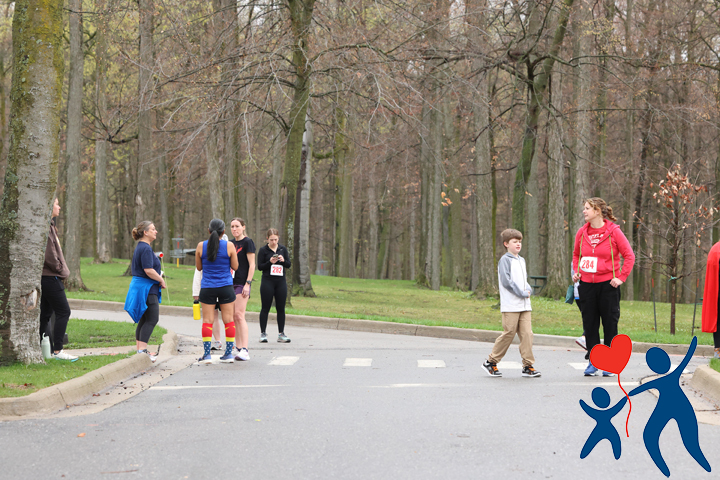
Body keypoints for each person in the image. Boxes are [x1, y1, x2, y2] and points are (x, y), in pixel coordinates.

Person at [629, 337, 711, 476]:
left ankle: (668, 469)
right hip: (680, 406)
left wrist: (629, 394)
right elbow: (687, 358)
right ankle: (696, 465)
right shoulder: (672, 376)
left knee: (650, 436)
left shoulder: (662, 380)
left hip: (668, 408)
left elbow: (640, 388)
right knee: (686, 441)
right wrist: (693, 344)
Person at [572, 198, 634, 376]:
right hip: (587, 286)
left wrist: (621, 277)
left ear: (597, 211)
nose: (584, 211)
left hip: (608, 286)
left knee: (609, 323)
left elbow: (629, 256)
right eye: (584, 208)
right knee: (590, 324)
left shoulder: (613, 232)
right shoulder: (582, 232)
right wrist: (577, 271)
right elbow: (576, 255)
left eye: (587, 208)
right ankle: (594, 360)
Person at [482, 229, 541, 378]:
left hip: (525, 305)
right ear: (506, 244)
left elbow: (523, 280)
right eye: (515, 242)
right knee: (509, 333)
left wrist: (528, 289)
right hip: (511, 305)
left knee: (527, 334)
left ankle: (528, 366)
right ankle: (491, 362)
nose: (518, 244)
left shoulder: (521, 260)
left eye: (519, 241)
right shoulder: (505, 260)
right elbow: (506, 282)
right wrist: (521, 293)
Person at [39, 198, 78, 361]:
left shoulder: (49, 226)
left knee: (45, 314)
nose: (59, 207)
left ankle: (43, 348)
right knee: (63, 311)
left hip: (47, 277)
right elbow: (50, 255)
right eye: (56, 203)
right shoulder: (46, 228)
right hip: (50, 277)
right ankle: (58, 350)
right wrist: (61, 269)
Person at [196, 219, 239, 364]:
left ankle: (207, 354)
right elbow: (235, 266)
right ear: (224, 231)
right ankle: (228, 354)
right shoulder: (229, 246)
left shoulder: (201, 246)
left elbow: (199, 267)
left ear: (208, 231)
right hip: (225, 287)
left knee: (207, 321)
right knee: (229, 320)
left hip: (208, 287)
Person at [125, 221, 166, 362]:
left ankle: (140, 351)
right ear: (145, 232)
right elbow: (148, 270)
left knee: (144, 319)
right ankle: (142, 351)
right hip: (146, 289)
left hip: (142, 287)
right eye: (153, 229)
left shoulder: (141, 247)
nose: (156, 231)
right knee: (152, 319)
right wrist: (161, 280)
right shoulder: (146, 249)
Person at [192, 234, 230, 351]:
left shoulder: (228, 254)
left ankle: (230, 343)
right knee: (212, 317)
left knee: (228, 317)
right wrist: (196, 291)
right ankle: (218, 341)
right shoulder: (206, 251)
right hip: (210, 287)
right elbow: (198, 272)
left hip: (224, 288)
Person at [257, 228, 291, 343]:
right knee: (265, 307)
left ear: (278, 238)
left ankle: (281, 333)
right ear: (267, 239)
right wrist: (270, 262)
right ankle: (263, 333)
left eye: (275, 239)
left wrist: (283, 260)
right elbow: (260, 267)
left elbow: (289, 264)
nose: (273, 242)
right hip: (268, 281)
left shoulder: (282, 249)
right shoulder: (263, 250)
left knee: (281, 308)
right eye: (271, 240)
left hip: (280, 281)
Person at [229, 218, 255, 360]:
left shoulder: (248, 242)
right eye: (232, 226)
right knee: (233, 317)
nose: (234, 229)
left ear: (243, 227)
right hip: (230, 283)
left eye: (237, 226)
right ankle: (238, 348)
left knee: (239, 315)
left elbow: (252, 265)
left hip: (242, 283)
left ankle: (245, 349)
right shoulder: (230, 244)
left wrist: (248, 283)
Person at [579, 387, 627, 460]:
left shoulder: (596, 413)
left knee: (590, 443)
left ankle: (583, 454)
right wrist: (625, 399)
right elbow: (618, 406)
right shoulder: (609, 412)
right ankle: (617, 456)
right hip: (610, 429)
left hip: (598, 429)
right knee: (616, 442)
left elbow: (587, 408)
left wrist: (582, 403)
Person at [701, 241, 720, 359]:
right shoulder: (716, 250)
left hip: (717, 294)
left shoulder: (715, 250)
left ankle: (718, 351)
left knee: (718, 320)